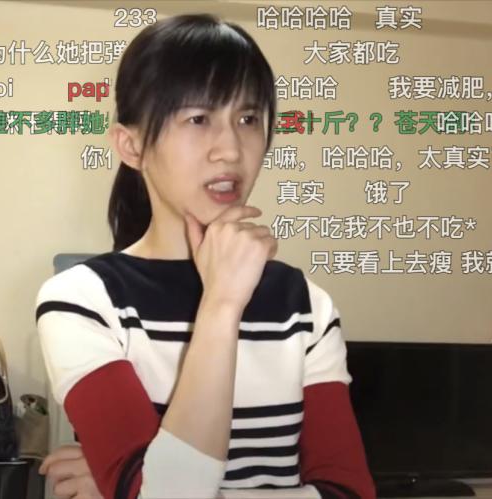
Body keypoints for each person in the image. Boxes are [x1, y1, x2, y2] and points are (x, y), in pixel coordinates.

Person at [34, 14, 375, 499]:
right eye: (198, 119)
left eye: (248, 119)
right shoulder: (82, 300)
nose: (231, 150)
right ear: (131, 146)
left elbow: (350, 492)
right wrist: (221, 305)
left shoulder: (305, 305)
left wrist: (129, 488)